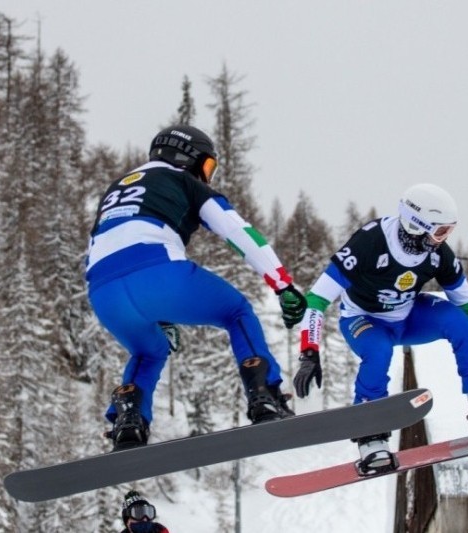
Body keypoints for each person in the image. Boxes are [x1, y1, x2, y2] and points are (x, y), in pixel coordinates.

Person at [86, 125, 307, 451]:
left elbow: (108, 245)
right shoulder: (183, 180)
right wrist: (282, 283)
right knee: (237, 312)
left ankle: (128, 421)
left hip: (103, 291)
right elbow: (238, 231)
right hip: (157, 269)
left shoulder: (116, 189)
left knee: (149, 351)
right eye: (207, 167)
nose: (207, 176)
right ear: (188, 158)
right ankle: (265, 395)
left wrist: (157, 313)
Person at [292, 183, 468, 474]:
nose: (444, 239)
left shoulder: (439, 255)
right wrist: (308, 352)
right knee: (378, 351)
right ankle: (371, 433)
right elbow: (316, 299)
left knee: (458, 321)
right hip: (364, 320)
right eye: (440, 231)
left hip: (409, 316)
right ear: (416, 226)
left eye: (449, 231)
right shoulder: (369, 242)